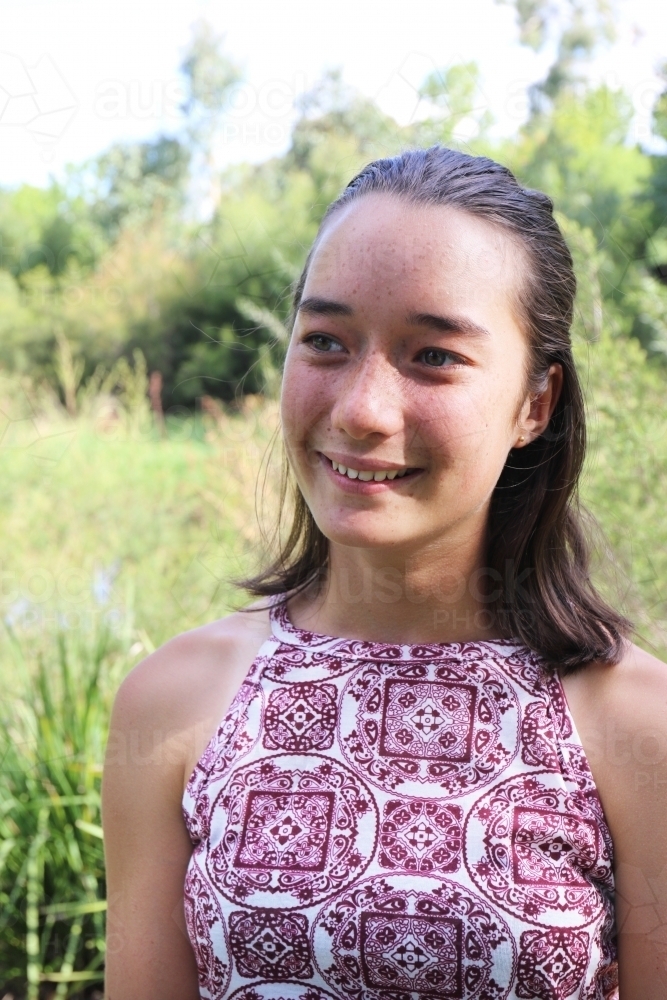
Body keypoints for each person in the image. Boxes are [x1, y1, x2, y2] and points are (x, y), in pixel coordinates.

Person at [102, 146, 667, 1000]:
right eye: (325, 341)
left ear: (533, 404)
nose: (362, 409)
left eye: (433, 356)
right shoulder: (173, 701)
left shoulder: (638, 728)